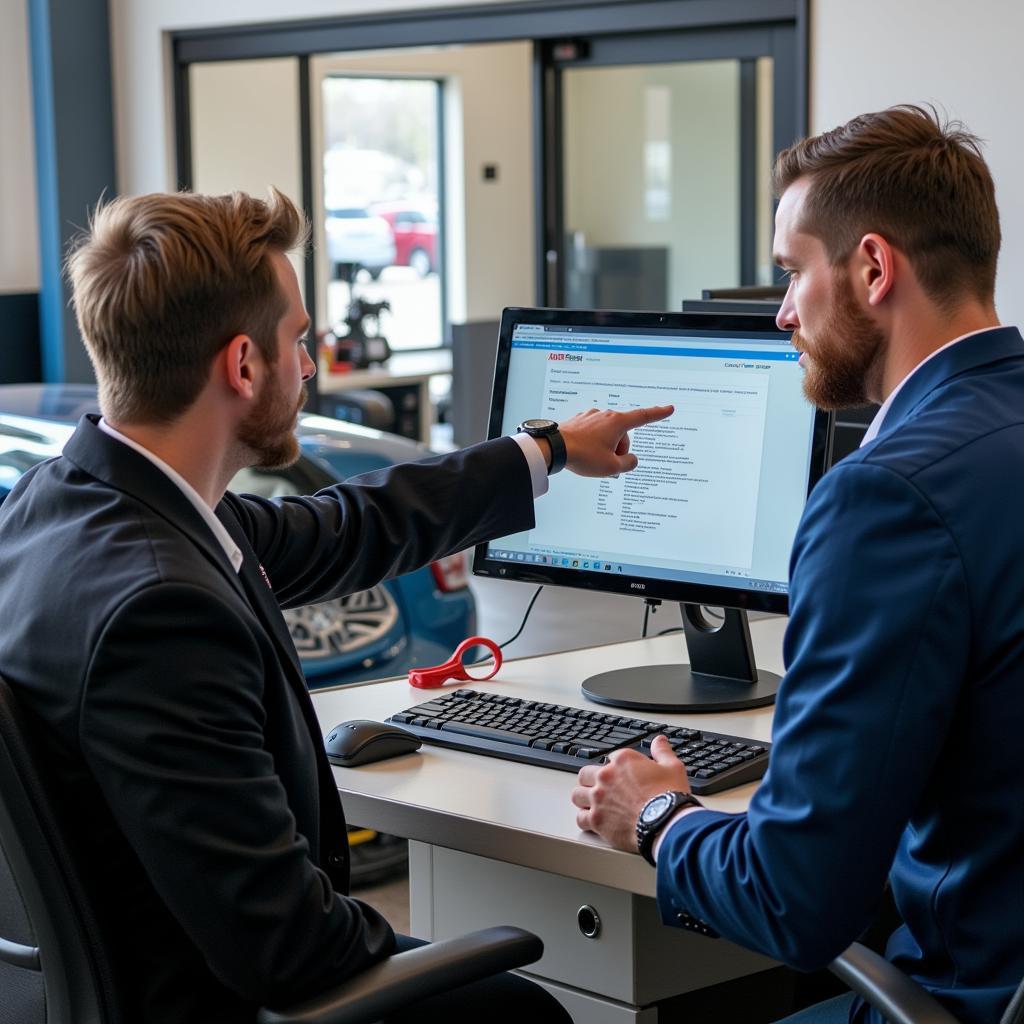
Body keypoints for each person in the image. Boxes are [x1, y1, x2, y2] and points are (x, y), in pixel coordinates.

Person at [0, 187, 672, 1023]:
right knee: (520, 1007)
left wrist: (546, 451)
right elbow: (287, 951)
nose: (311, 366)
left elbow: (341, 529)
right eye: (299, 341)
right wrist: (450, 946)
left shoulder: (59, 505)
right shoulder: (161, 609)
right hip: (206, 998)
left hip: (125, 974)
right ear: (243, 365)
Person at [571, 104, 1024, 1023]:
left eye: (790, 273)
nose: (781, 314)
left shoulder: (888, 498)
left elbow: (794, 900)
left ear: (871, 266)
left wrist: (658, 816)